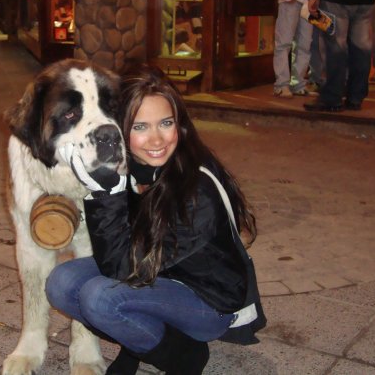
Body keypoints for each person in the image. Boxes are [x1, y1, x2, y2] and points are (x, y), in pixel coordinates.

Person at [45, 66, 259, 375]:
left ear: (179, 124)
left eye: (166, 123)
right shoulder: (134, 167)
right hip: (158, 273)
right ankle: (139, 343)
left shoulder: (196, 188)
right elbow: (124, 249)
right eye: (140, 126)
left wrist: (107, 196)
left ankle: (185, 356)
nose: (156, 139)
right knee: (61, 282)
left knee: (101, 299)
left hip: (208, 303)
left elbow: (123, 269)